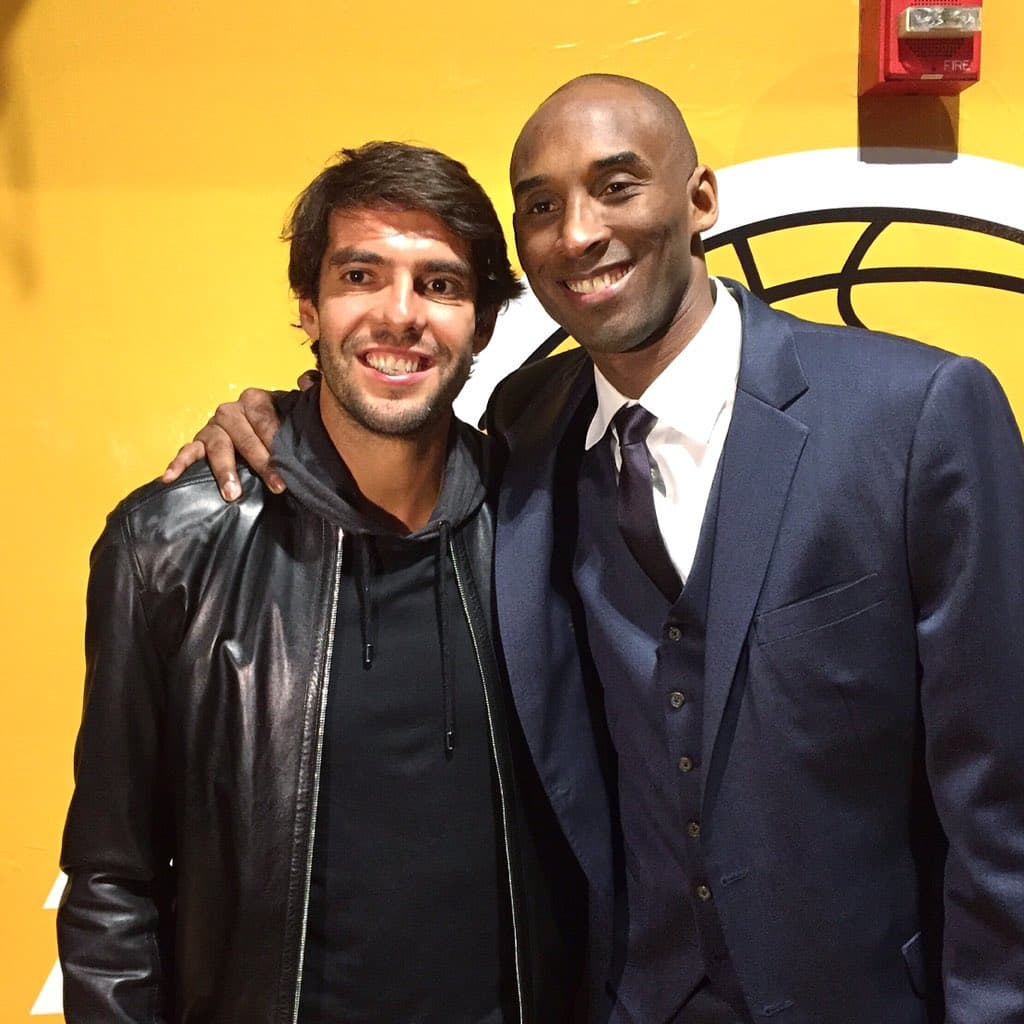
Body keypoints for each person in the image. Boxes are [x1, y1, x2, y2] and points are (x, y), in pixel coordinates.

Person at [166, 76, 1024, 1023]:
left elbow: (1002, 800)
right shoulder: (526, 425)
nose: (577, 233)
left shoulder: (914, 415)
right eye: (541, 206)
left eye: (616, 187)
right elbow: (374, 429)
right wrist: (278, 423)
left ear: (701, 199)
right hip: (624, 998)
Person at [59, 141, 583, 1024]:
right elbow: (114, 880)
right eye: (360, 276)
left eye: (440, 284)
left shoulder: (548, 522)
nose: (400, 314)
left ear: (484, 323)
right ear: (308, 306)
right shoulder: (169, 545)